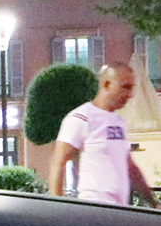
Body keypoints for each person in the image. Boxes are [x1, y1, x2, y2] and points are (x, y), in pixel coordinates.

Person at [50, 62, 154, 205]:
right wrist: (57, 210)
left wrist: (153, 202)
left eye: (132, 88)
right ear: (106, 85)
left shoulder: (118, 121)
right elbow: (58, 163)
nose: (130, 94)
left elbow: (129, 166)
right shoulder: (81, 118)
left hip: (120, 209)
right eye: (125, 87)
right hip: (95, 208)